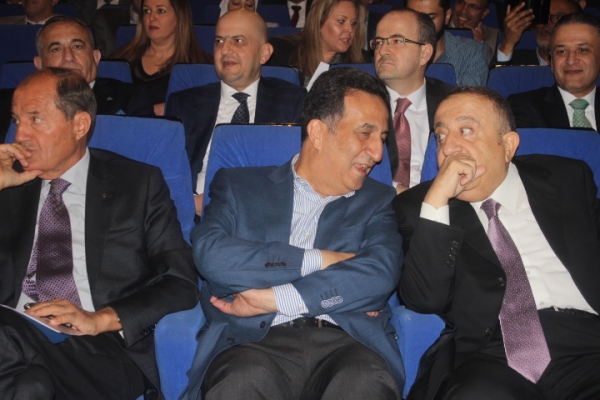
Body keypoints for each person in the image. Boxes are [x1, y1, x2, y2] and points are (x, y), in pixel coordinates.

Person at [182, 67, 404, 400]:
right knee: (239, 384)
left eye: (382, 138)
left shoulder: (378, 200)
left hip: (348, 343)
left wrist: (275, 298)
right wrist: (324, 260)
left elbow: (380, 274)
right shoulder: (240, 186)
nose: (377, 153)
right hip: (252, 343)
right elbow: (212, 256)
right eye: (365, 133)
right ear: (317, 132)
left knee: (363, 385)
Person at [0, 67, 199, 399]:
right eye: (16, 120)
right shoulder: (8, 186)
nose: (20, 135)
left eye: (35, 119)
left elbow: (181, 282)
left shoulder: (138, 184)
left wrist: (100, 319)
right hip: (17, 334)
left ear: (80, 125)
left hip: (103, 347)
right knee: (31, 387)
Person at [394, 85, 600, 400]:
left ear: (508, 145)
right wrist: (437, 201)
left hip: (586, 342)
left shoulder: (566, 178)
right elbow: (423, 300)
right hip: (490, 354)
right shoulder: (420, 207)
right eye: (441, 136)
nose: (449, 147)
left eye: (466, 130)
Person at [165, 9, 306, 216]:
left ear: (264, 53)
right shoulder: (184, 103)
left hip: (261, 213)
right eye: (219, 41)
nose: (225, 50)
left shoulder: (292, 101)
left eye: (238, 41)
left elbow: (298, 172)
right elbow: (169, 171)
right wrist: (189, 203)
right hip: (195, 213)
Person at [0, 15, 154, 144]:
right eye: (56, 49)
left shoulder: (131, 98)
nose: (68, 57)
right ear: (40, 64)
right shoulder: (7, 106)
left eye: (77, 46)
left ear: (95, 57)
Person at [373, 8, 454, 193]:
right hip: (378, 202)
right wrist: (400, 193)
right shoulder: (359, 101)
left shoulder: (453, 103)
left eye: (397, 41)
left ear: (424, 53)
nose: (382, 50)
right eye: (378, 42)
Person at [111, 0, 212, 116]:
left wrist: (174, 107)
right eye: (147, 11)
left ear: (179, 16)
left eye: (161, 11)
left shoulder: (201, 65)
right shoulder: (119, 59)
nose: (151, 18)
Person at [508, 13, 600, 129]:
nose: (571, 61)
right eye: (561, 51)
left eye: (582, 50)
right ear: (551, 61)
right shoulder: (524, 107)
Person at [267, 0, 369, 86]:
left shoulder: (361, 61)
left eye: (353, 23)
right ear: (319, 22)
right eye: (341, 21)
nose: (350, 29)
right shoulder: (281, 51)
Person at [407, 0, 488, 86]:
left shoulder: (471, 52)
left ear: (447, 16)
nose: (421, 26)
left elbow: (470, 94)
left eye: (430, 18)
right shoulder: (397, 50)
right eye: (413, 18)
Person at [496, 0, 581, 65]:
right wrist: (507, 43)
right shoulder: (517, 62)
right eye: (543, 15)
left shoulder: (582, 63)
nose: (547, 22)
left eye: (558, 18)